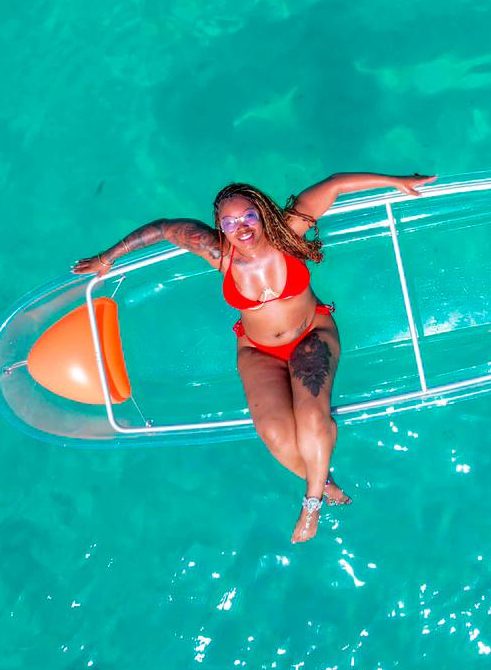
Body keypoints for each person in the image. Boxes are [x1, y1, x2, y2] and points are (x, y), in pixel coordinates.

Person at [72, 172, 436, 543]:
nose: (240, 228)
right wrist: (106, 257)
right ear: (220, 226)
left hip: (310, 334)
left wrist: (395, 182)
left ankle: (312, 503)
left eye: (248, 216)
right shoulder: (218, 252)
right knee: (276, 435)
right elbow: (164, 229)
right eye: (229, 222)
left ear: (261, 212)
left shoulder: (290, 233)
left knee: (311, 415)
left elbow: (335, 185)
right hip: (256, 349)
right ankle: (323, 480)